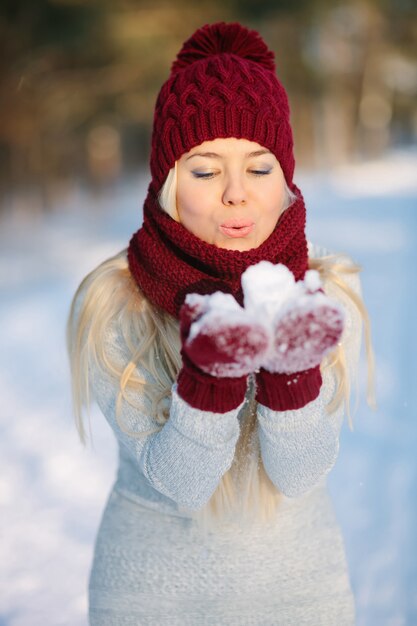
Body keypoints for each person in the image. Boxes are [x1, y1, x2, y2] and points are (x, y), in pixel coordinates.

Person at [67, 21, 375, 626]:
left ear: (285, 180)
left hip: (300, 594)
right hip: (151, 597)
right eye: (205, 171)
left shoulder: (325, 296)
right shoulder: (115, 302)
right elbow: (183, 484)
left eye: (258, 169)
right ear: (168, 184)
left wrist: (289, 370)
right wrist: (210, 375)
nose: (236, 193)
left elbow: (299, 473)